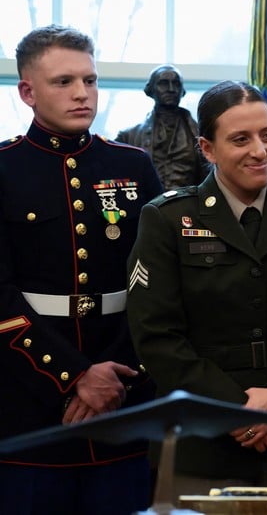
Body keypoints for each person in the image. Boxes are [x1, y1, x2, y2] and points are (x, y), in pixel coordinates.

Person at [126, 80, 267, 495]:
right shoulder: (167, 219)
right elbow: (156, 337)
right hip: (201, 439)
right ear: (207, 149)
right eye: (240, 139)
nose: (260, 151)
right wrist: (235, 408)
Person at [0, 25, 162, 514]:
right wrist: (74, 376)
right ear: (27, 91)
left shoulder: (133, 166)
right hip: (32, 406)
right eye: (64, 82)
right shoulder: (5, 169)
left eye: (89, 81)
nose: (81, 94)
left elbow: (160, 287)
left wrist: (112, 378)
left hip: (123, 399)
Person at [116, 64, 210, 191]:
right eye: (163, 83)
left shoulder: (202, 135)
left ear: (182, 91)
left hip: (190, 207)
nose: (171, 89)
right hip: (145, 208)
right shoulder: (127, 138)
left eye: (176, 84)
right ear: (150, 89)